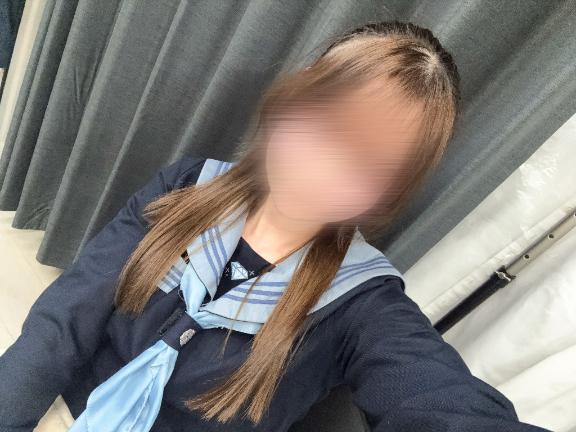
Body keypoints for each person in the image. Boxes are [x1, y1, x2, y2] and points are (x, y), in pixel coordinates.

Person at [0, 21, 548, 432]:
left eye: (364, 165)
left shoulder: (363, 303)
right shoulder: (187, 185)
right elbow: (65, 320)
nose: (319, 171)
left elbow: (435, 397)